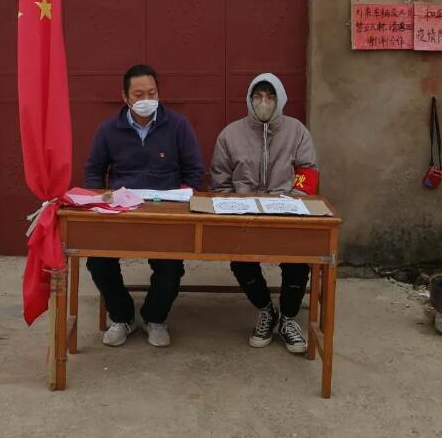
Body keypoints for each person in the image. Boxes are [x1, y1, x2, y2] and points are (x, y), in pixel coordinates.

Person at [84, 64, 204, 348]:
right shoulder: (108, 130)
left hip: (166, 213)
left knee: (171, 266)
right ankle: (122, 316)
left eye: (152, 93)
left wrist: (182, 201)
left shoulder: (178, 126)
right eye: (139, 95)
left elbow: (194, 170)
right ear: (125, 97)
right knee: (97, 260)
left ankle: (155, 317)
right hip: (122, 212)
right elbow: (93, 170)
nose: (146, 99)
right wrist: (100, 200)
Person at [209, 72, 318, 353]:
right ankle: (266, 310)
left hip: (286, 212)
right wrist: (234, 205)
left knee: (298, 262)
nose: (264, 102)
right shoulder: (230, 135)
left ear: (280, 99)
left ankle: (288, 318)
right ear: (249, 99)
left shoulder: (297, 132)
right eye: (258, 96)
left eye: (270, 96)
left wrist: (293, 203)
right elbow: (220, 182)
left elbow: (307, 172)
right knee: (240, 261)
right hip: (244, 214)